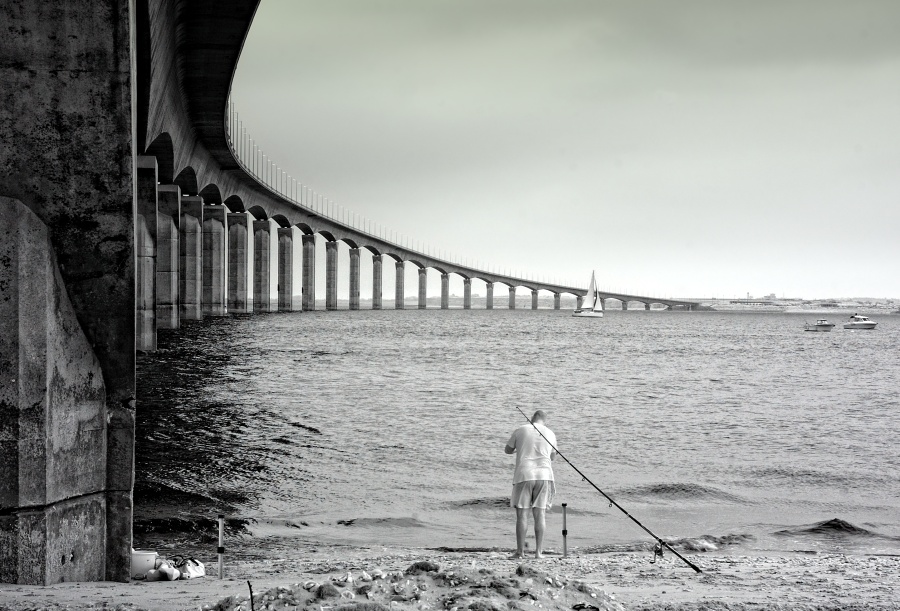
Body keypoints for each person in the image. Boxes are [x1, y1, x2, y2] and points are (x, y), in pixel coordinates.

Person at [505, 410, 557, 558]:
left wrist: (520, 448)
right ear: (544, 421)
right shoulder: (551, 434)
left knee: (522, 514)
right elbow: (553, 456)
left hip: (524, 474)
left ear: (532, 419)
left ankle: (520, 552)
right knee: (540, 514)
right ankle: (538, 552)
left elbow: (507, 450)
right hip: (545, 475)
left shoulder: (521, 429)